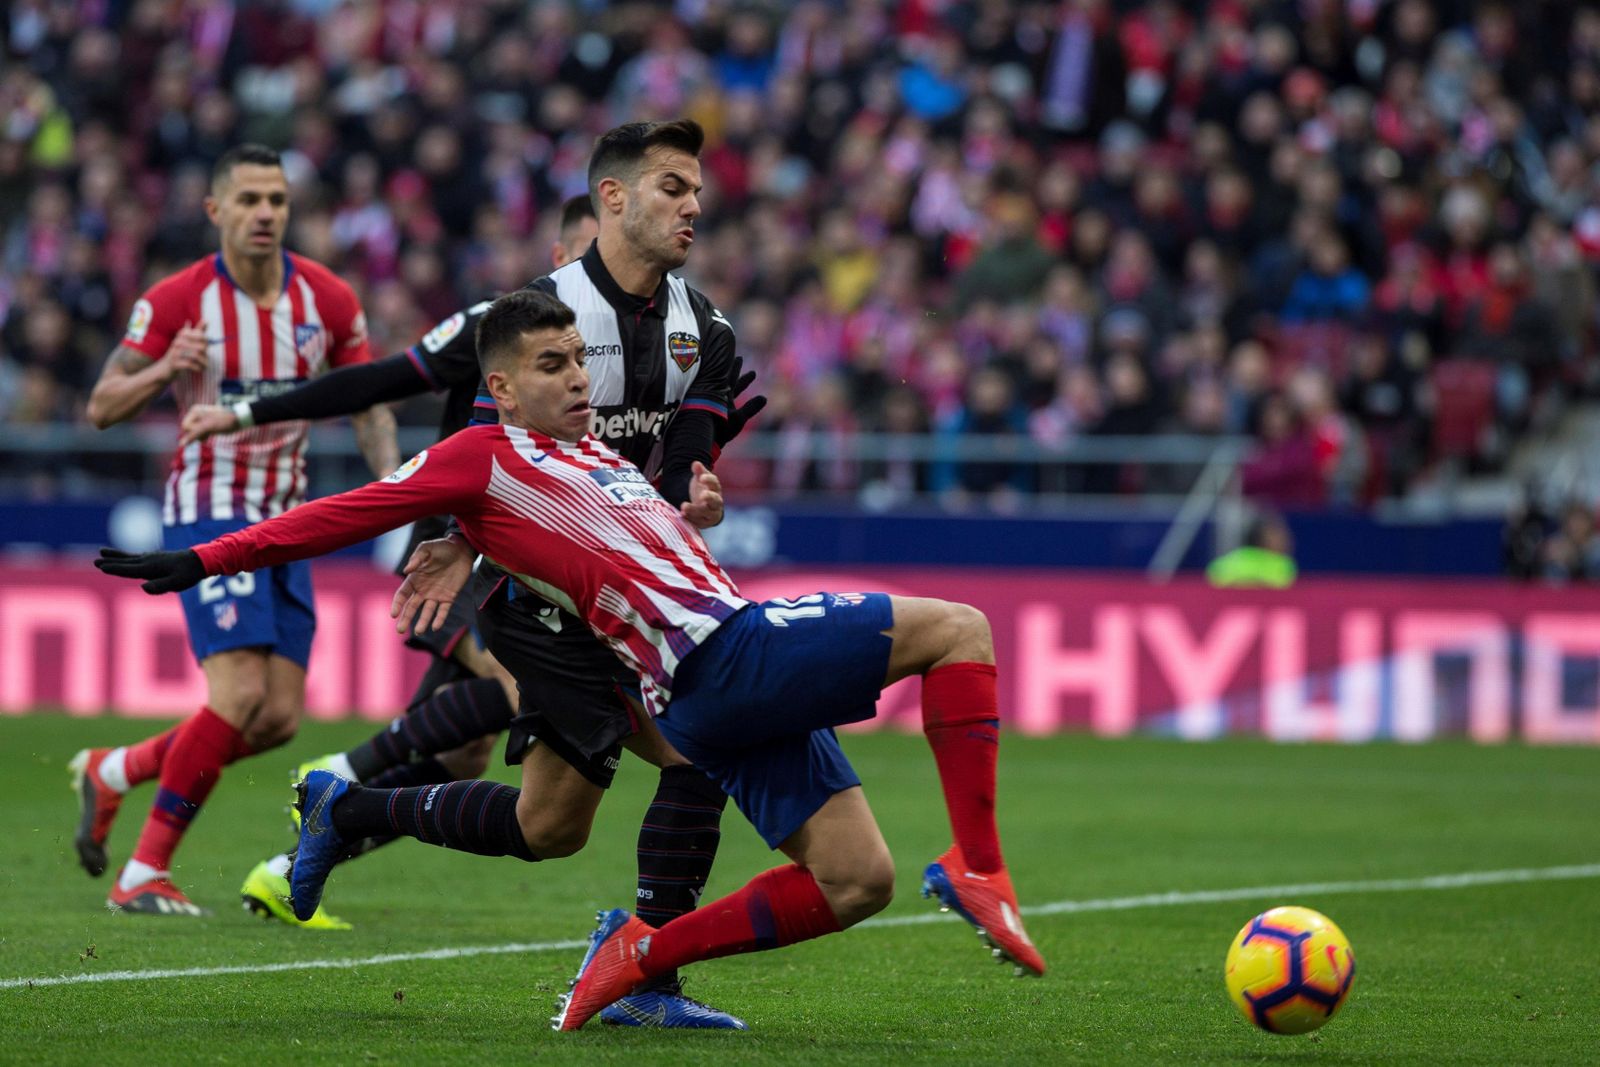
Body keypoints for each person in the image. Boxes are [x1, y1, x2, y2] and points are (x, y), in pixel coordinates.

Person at [95, 289, 1047, 1031]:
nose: (578, 378)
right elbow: (339, 515)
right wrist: (204, 560)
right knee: (959, 628)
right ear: (503, 387)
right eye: (552, 365)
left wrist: (678, 505)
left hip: (702, 687)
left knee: (856, 880)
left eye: (579, 359)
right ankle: (980, 867)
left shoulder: (593, 452)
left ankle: (638, 957)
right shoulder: (478, 453)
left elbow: (596, 543)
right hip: (723, 654)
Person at [178, 121, 763, 1029]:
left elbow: (679, 461)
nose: (694, 206)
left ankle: (344, 804)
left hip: (612, 579)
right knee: (692, 746)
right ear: (604, 210)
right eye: (673, 188)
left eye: (696, 191)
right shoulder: (520, 318)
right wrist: (251, 413)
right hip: (510, 573)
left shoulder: (701, 328)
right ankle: (644, 970)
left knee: (542, 818)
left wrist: (697, 485)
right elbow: (385, 382)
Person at [233, 195, 599, 933]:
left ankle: (287, 863)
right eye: (592, 253)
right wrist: (251, 412)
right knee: (518, 685)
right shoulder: (497, 325)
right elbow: (381, 380)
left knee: (463, 755)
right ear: (561, 259)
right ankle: (340, 772)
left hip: (546, 551)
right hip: (465, 543)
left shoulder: (627, 343)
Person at [73, 143, 398, 916]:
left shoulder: (327, 298)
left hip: (289, 519)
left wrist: (395, 486)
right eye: (249, 199)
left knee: (277, 716)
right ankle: (142, 871)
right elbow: (102, 405)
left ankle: (115, 770)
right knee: (240, 690)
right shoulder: (178, 299)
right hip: (211, 507)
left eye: (276, 200)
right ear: (216, 209)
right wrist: (165, 370)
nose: (265, 213)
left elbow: (369, 400)